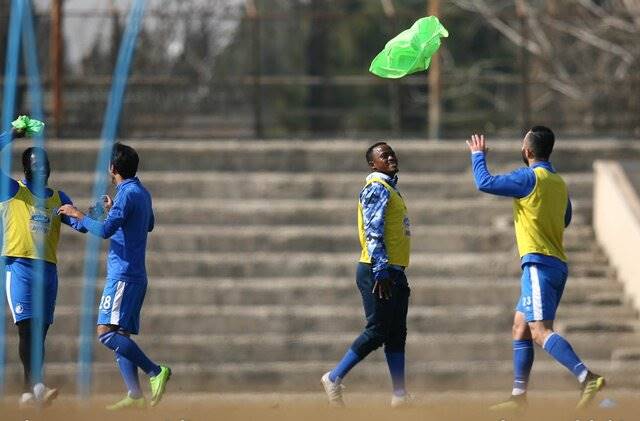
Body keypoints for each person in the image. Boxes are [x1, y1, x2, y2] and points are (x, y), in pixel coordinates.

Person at [466, 128, 605, 411]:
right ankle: (519, 397)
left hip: (538, 264)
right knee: (520, 327)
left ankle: (586, 376)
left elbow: (484, 182)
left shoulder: (528, 177)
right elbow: (564, 218)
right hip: (555, 265)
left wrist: (477, 156)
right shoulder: (558, 182)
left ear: (528, 152)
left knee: (539, 331)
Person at [58, 142, 170, 410]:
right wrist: (115, 209)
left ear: (112, 168)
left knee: (105, 334)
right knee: (121, 335)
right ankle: (134, 394)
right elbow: (149, 224)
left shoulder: (127, 194)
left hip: (123, 275)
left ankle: (155, 372)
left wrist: (77, 214)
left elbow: (106, 231)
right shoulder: (141, 192)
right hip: (135, 275)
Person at [0, 124, 86, 406]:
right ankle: (37, 385)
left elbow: (79, 224)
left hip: (48, 271)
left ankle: (28, 391)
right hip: (20, 267)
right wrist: (12, 134)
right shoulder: (12, 191)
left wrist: (96, 212)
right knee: (26, 328)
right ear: (25, 170)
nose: (42, 170)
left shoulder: (58, 198)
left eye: (45, 165)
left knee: (40, 333)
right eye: (36, 166)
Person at [321, 142, 412, 408]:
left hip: (394, 270)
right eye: (384, 155)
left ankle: (400, 395)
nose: (391, 157)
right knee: (377, 331)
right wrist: (381, 269)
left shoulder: (390, 188)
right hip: (377, 270)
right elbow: (373, 231)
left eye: (392, 153)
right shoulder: (376, 188)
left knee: (396, 333)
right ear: (373, 164)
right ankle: (334, 377)